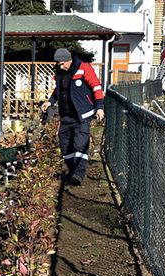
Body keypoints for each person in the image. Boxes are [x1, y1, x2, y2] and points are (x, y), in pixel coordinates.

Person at [41, 48, 105, 186]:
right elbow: (58, 90)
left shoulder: (83, 67)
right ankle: (72, 170)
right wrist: (50, 102)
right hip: (66, 115)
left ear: (69, 60)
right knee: (65, 144)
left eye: (63, 63)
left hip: (82, 114)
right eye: (58, 64)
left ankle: (79, 174)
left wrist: (100, 107)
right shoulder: (59, 72)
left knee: (80, 144)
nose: (60, 66)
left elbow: (96, 86)